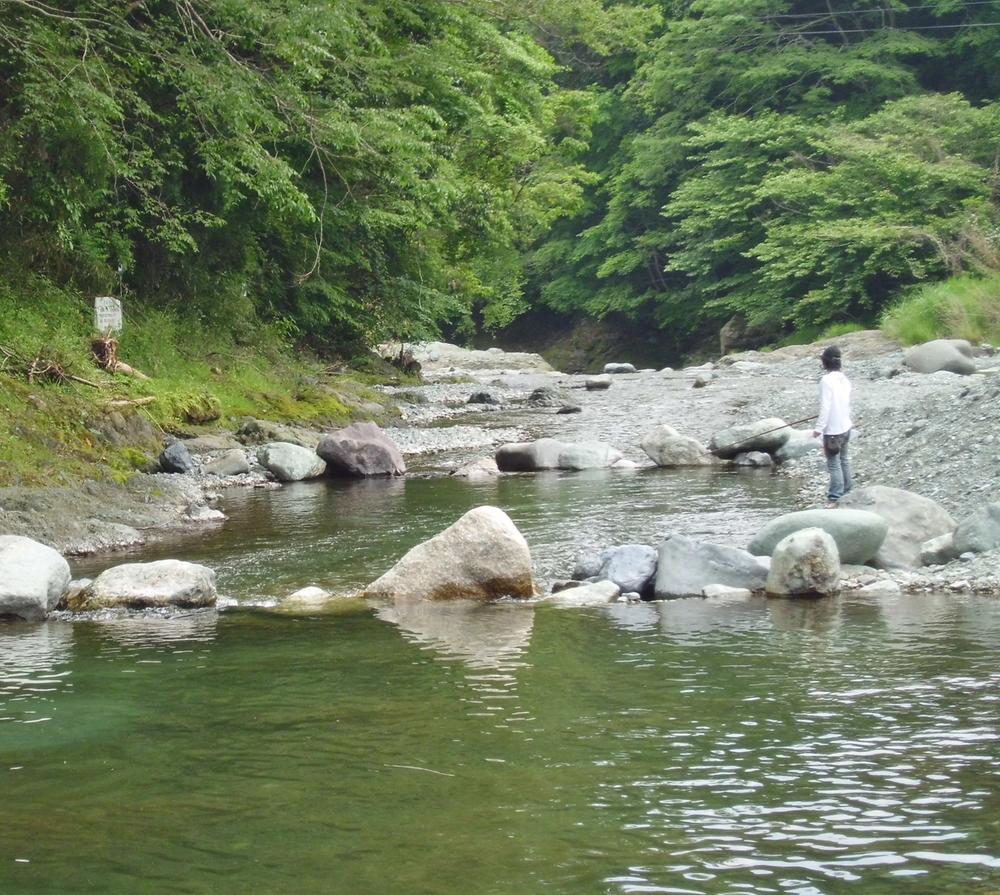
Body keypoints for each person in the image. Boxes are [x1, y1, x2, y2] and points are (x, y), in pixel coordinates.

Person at [812, 345, 852, 508]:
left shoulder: (826, 380)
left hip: (834, 431)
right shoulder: (844, 379)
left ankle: (835, 497)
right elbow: (844, 402)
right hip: (846, 427)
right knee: (843, 460)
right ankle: (847, 490)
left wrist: (818, 429)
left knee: (834, 463)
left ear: (825, 362)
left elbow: (826, 407)